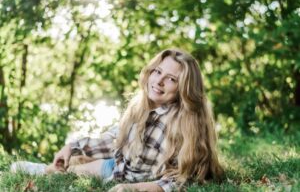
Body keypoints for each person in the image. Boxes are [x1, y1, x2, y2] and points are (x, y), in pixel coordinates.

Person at [13, 48, 224, 191]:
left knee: (78, 170)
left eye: (171, 79)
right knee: (68, 169)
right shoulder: (140, 107)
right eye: (157, 71)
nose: (159, 81)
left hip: (134, 178)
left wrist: (135, 189)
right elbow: (115, 140)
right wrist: (73, 147)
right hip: (116, 167)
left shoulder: (187, 123)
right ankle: (45, 169)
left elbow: (184, 177)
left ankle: (51, 170)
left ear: (185, 88)